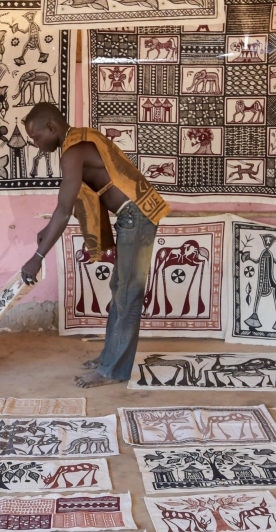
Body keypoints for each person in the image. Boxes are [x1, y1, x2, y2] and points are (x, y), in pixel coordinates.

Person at [19, 103, 170, 387]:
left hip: (136, 216)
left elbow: (64, 210)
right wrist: (46, 230)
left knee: (127, 294)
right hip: (133, 215)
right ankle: (109, 357)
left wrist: (38, 256)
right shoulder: (78, 141)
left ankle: (113, 370)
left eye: (36, 137)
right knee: (120, 289)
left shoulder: (74, 151)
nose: (36, 144)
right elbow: (62, 210)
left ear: (52, 127)